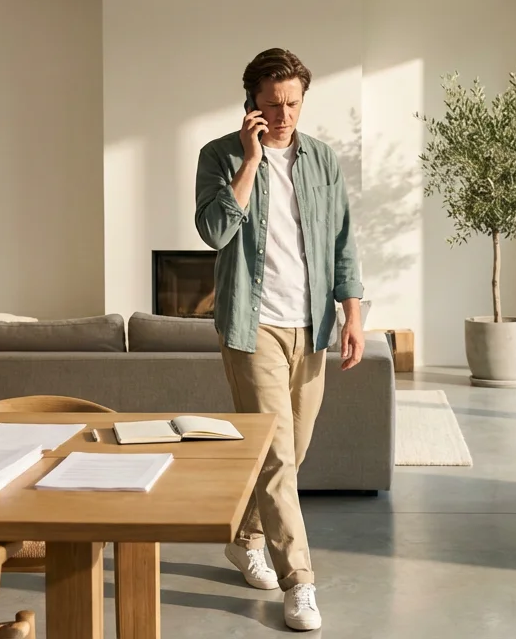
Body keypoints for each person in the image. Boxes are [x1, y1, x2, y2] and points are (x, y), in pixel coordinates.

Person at [193, 47, 365, 631]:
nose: (285, 113)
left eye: (293, 102)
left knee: (295, 450)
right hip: (252, 325)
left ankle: (244, 538)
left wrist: (354, 314)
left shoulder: (322, 160)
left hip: (311, 325)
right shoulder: (219, 155)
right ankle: (300, 582)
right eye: (273, 104)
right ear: (252, 104)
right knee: (276, 457)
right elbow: (216, 231)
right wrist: (250, 160)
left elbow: (343, 240)